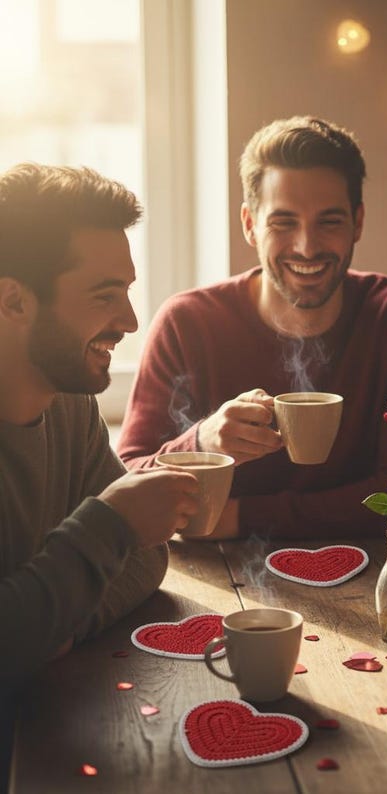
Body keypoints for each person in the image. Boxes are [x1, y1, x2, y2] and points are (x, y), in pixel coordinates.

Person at [117, 116, 387, 539]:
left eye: (329, 221)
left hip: (372, 572)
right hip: (221, 578)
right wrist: (202, 442)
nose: (307, 246)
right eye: (283, 222)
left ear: (358, 222)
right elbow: (127, 483)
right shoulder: (188, 322)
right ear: (250, 224)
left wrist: (237, 518)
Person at [0, 164, 199, 775]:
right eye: (103, 295)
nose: (131, 321)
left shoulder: (71, 402)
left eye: (128, 292)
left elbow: (146, 556)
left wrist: (44, 628)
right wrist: (108, 526)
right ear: (13, 300)